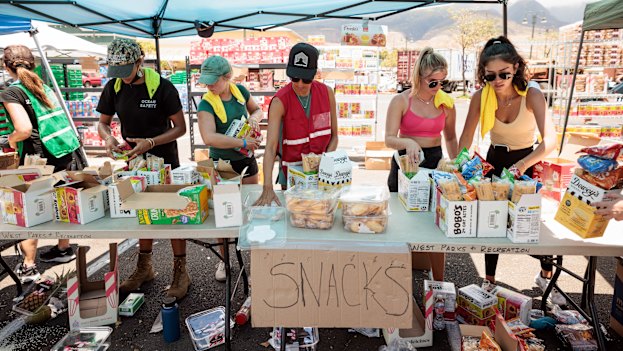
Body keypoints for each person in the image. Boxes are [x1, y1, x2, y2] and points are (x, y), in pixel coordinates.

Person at [457, 36, 563, 304]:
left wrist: (523, 166)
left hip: (526, 162)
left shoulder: (532, 94)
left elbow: (551, 141)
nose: (498, 80)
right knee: (492, 221)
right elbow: (466, 139)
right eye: (490, 76)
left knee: (528, 224)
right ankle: (489, 281)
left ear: (516, 67)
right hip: (495, 160)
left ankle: (545, 275)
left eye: (504, 73)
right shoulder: (481, 97)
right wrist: (460, 165)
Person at [96, 38, 189, 299]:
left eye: (126, 71)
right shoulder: (113, 87)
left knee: (171, 215)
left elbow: (180, 128)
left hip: (164, 161)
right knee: (141, 213)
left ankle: (181, 271)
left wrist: (150, 142)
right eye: (116, 72)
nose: (122, 78)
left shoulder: (162, 88)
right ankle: (144, 267)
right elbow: (102, 123)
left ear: (139, 62)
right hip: (133, 162)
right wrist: (108, 138)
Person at [1, 45, 81, 281]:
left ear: (6, 66)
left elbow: (23, 129)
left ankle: (28, 265)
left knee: (27, 209)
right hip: (63, 149)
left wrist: (10, 140)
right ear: (33, 64)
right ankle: (63, 249)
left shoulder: (12, 92)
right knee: (63, 199)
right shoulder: (42, 85)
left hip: (37, 157)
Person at [384, 47, 458, 282]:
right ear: (419, 77)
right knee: (401, 222)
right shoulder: (401, 100)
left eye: (443, 82)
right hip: (406, 163)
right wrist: (408, 142)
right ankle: (396, 279)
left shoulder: (446, 103)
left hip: (435, 162)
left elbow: (451, 137)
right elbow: (388, 139)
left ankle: (439, 283)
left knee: (437, 223)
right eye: (433, 82)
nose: (439, 87)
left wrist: (456, 166)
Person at [196, 55, 262, 282]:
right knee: (225, 216)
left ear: (227, 77)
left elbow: (257, 110)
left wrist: (254, 120)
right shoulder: (206, 103)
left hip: (247, 160)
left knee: (251, 211)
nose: (210, 86)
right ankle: (225, 262)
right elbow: (209, 137)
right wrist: (241, 142)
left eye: (214, 81)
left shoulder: (240, 92)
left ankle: (255, 263)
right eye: (206, 82)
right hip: (222, 165)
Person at [255, 42, 338, 205]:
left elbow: (334, 136)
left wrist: (324, 164)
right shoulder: (280, 101)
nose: (300, 84)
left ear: (315, 74)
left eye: (306, 79)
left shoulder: (327, 93)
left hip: (322, 175)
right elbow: (270, 148)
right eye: (294, 77)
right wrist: (267, 186)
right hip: (292, 177)